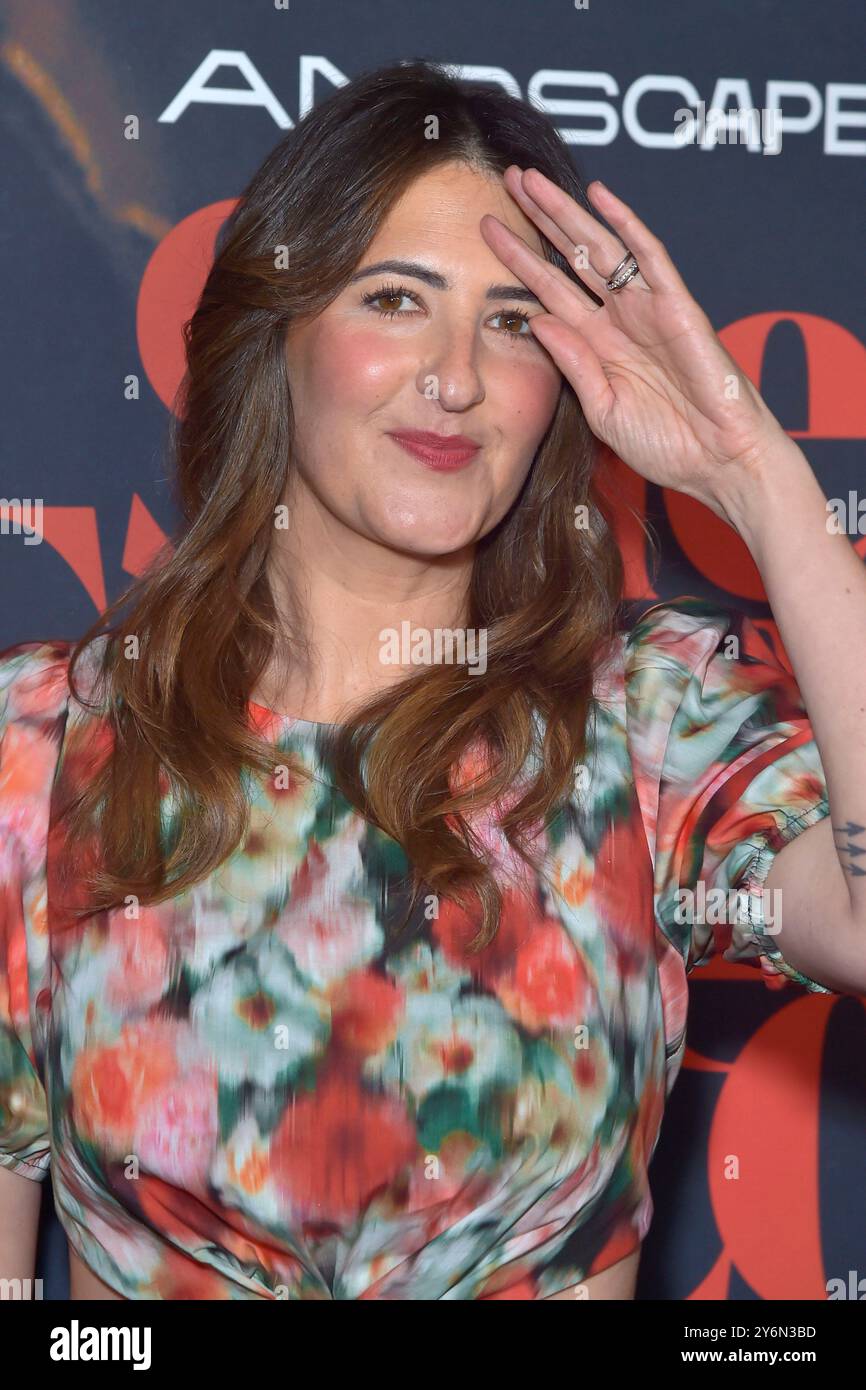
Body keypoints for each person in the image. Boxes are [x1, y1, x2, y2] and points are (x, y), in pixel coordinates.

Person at [1, 58, 863, 1303]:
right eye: (395, 299)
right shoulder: (45, 747)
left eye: (513, 322)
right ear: (277, 330)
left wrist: (753, 474)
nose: (454, 377)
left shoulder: (641, 730)